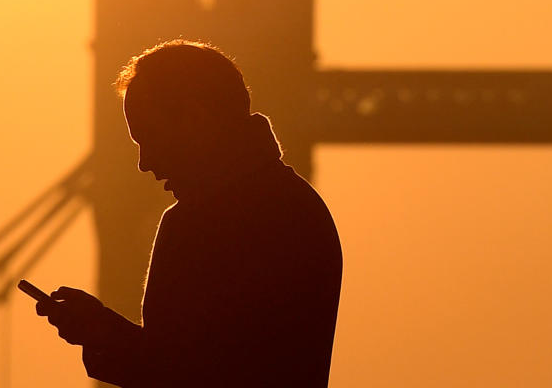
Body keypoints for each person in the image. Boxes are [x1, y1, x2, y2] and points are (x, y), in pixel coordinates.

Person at [34, 40, 342, 387]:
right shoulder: (304, 210)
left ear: (194, 119)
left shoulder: (194, 225)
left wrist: (102, 332)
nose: (144, 163)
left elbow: (179, 375)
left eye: (149, 138)